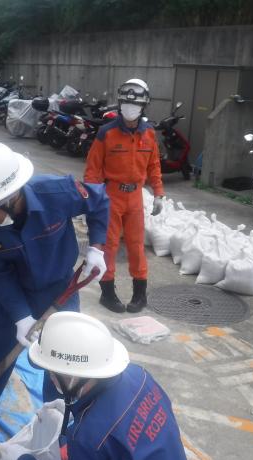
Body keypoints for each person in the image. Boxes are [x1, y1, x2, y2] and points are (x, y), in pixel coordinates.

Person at [0, 142, 110, 452]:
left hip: (61, 288)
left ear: (9, 197)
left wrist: (98, 247)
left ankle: (58, 431)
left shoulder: (55, 193)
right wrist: (20, 315)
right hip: (13, 295)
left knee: (63, 364)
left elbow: (99, 200)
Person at [7, 311, 196, 460]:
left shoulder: (89, 435)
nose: (50, 378)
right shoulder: (140, 376)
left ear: (72, 377)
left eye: (51, 372)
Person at [85, 78, 165, 314]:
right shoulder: (106, 133)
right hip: (111, 196)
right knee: (107, 246)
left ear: (144, 106)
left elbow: (154, 165)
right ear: (119, 104)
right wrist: (92, 199)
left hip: (135, 197)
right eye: (125, 103)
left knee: (136, 246)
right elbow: (93, 169)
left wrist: (158, 193)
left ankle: (140, 295)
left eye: (135, 104)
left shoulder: (149, 133)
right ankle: (107, 293)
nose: (130, 109)